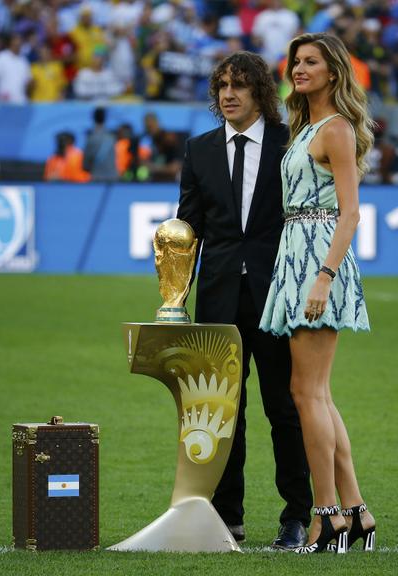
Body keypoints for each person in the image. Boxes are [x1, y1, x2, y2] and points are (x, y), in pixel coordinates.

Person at [177, 50, 312, 548]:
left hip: (278, 298)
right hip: (217, 301)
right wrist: (176, 298)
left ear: (260, 91)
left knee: (285, 408)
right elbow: (187, 229)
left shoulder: (291, 143)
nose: (228, 94)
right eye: (221, 87)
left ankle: (296, 514)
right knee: (222, 414)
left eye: (239, 85)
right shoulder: (200, 149)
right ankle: (226, 517)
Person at [260, 32, 376, 554]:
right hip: (297, 253)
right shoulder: (305, 126)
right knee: (316, 394)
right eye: (296, 62)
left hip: (318, 260)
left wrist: (324, 278)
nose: (299, 69)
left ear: (333, 71)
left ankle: (328, 517)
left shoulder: (337, 131)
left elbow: (350, 211)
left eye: (311, 62)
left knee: (307, 395)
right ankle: (355, 511)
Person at [83, 107, 118, 181]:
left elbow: (85, 165)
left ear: (93, 118)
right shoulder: (112, 137)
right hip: (113, 177)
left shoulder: (91, 138)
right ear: (105, 118)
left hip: (97, 177)